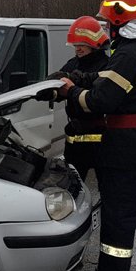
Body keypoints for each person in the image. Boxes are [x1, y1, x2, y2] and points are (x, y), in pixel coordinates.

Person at [59, 0, 136, 271]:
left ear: (121, 22)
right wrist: (81, 79)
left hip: (126, 145)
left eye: (109, 22)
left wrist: (70, 91)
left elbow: (99, 101)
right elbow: (112, 82)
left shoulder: (127, 53)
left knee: (119, 214)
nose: (107, 28)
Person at [38, 16, 109, 181]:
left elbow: (100, 98)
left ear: (94, 44)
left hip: (101, 144)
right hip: (74, 142)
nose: (77, 49)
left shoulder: (106, 66)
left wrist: (72, 87)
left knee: (107, 189)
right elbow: (60, 89)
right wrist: (50, 93)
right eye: (75, 45)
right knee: (72, 189)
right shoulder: (73, 64)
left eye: (82, 45)